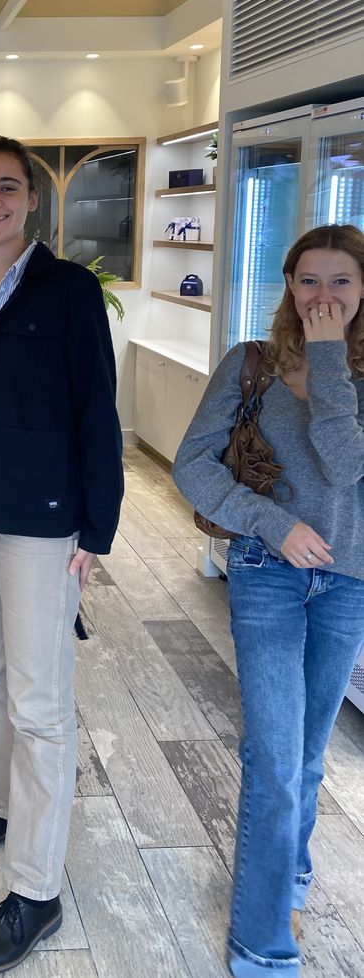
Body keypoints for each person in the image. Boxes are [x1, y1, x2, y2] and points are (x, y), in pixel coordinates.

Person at [0, 135, 123, 975]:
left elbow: (96, 409)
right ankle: (4, 807)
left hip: (40, 505)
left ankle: (35, 889)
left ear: (32, 199)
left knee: (39, 697)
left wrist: (97, 527)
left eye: (8, 187)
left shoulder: (67, 289)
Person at [173, 223, 364, 978]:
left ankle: (289, 868)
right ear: (287, 285)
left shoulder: (351, 372)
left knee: (309, 753)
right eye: (308, 280)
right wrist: (273, 524)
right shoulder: (250, 363)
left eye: (340, 281)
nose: (323, 296)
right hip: (265, 572)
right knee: (276, 756)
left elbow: (345, 466)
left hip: (349, 582)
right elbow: (193, 466)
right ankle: (262, 942)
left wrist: (328, 359)